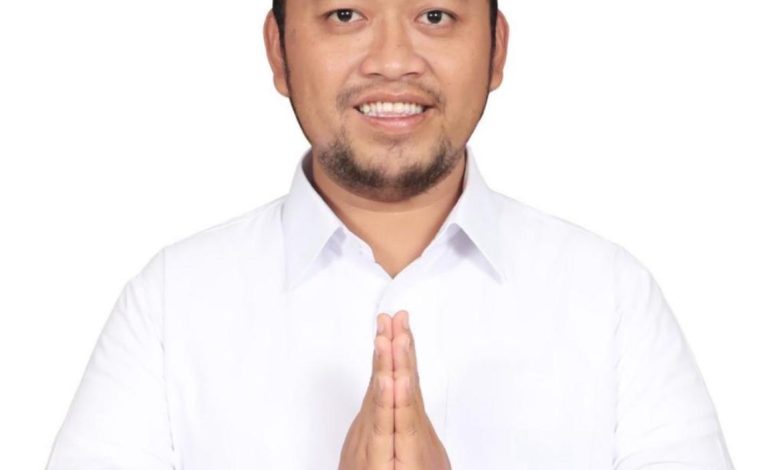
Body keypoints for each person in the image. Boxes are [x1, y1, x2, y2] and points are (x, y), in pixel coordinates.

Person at [47, 0, 735, 468]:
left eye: (435, 15)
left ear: (496, 48)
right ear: (278, 50)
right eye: (346, 15)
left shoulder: (611, 298)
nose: (393, 60)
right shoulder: (171, 305)